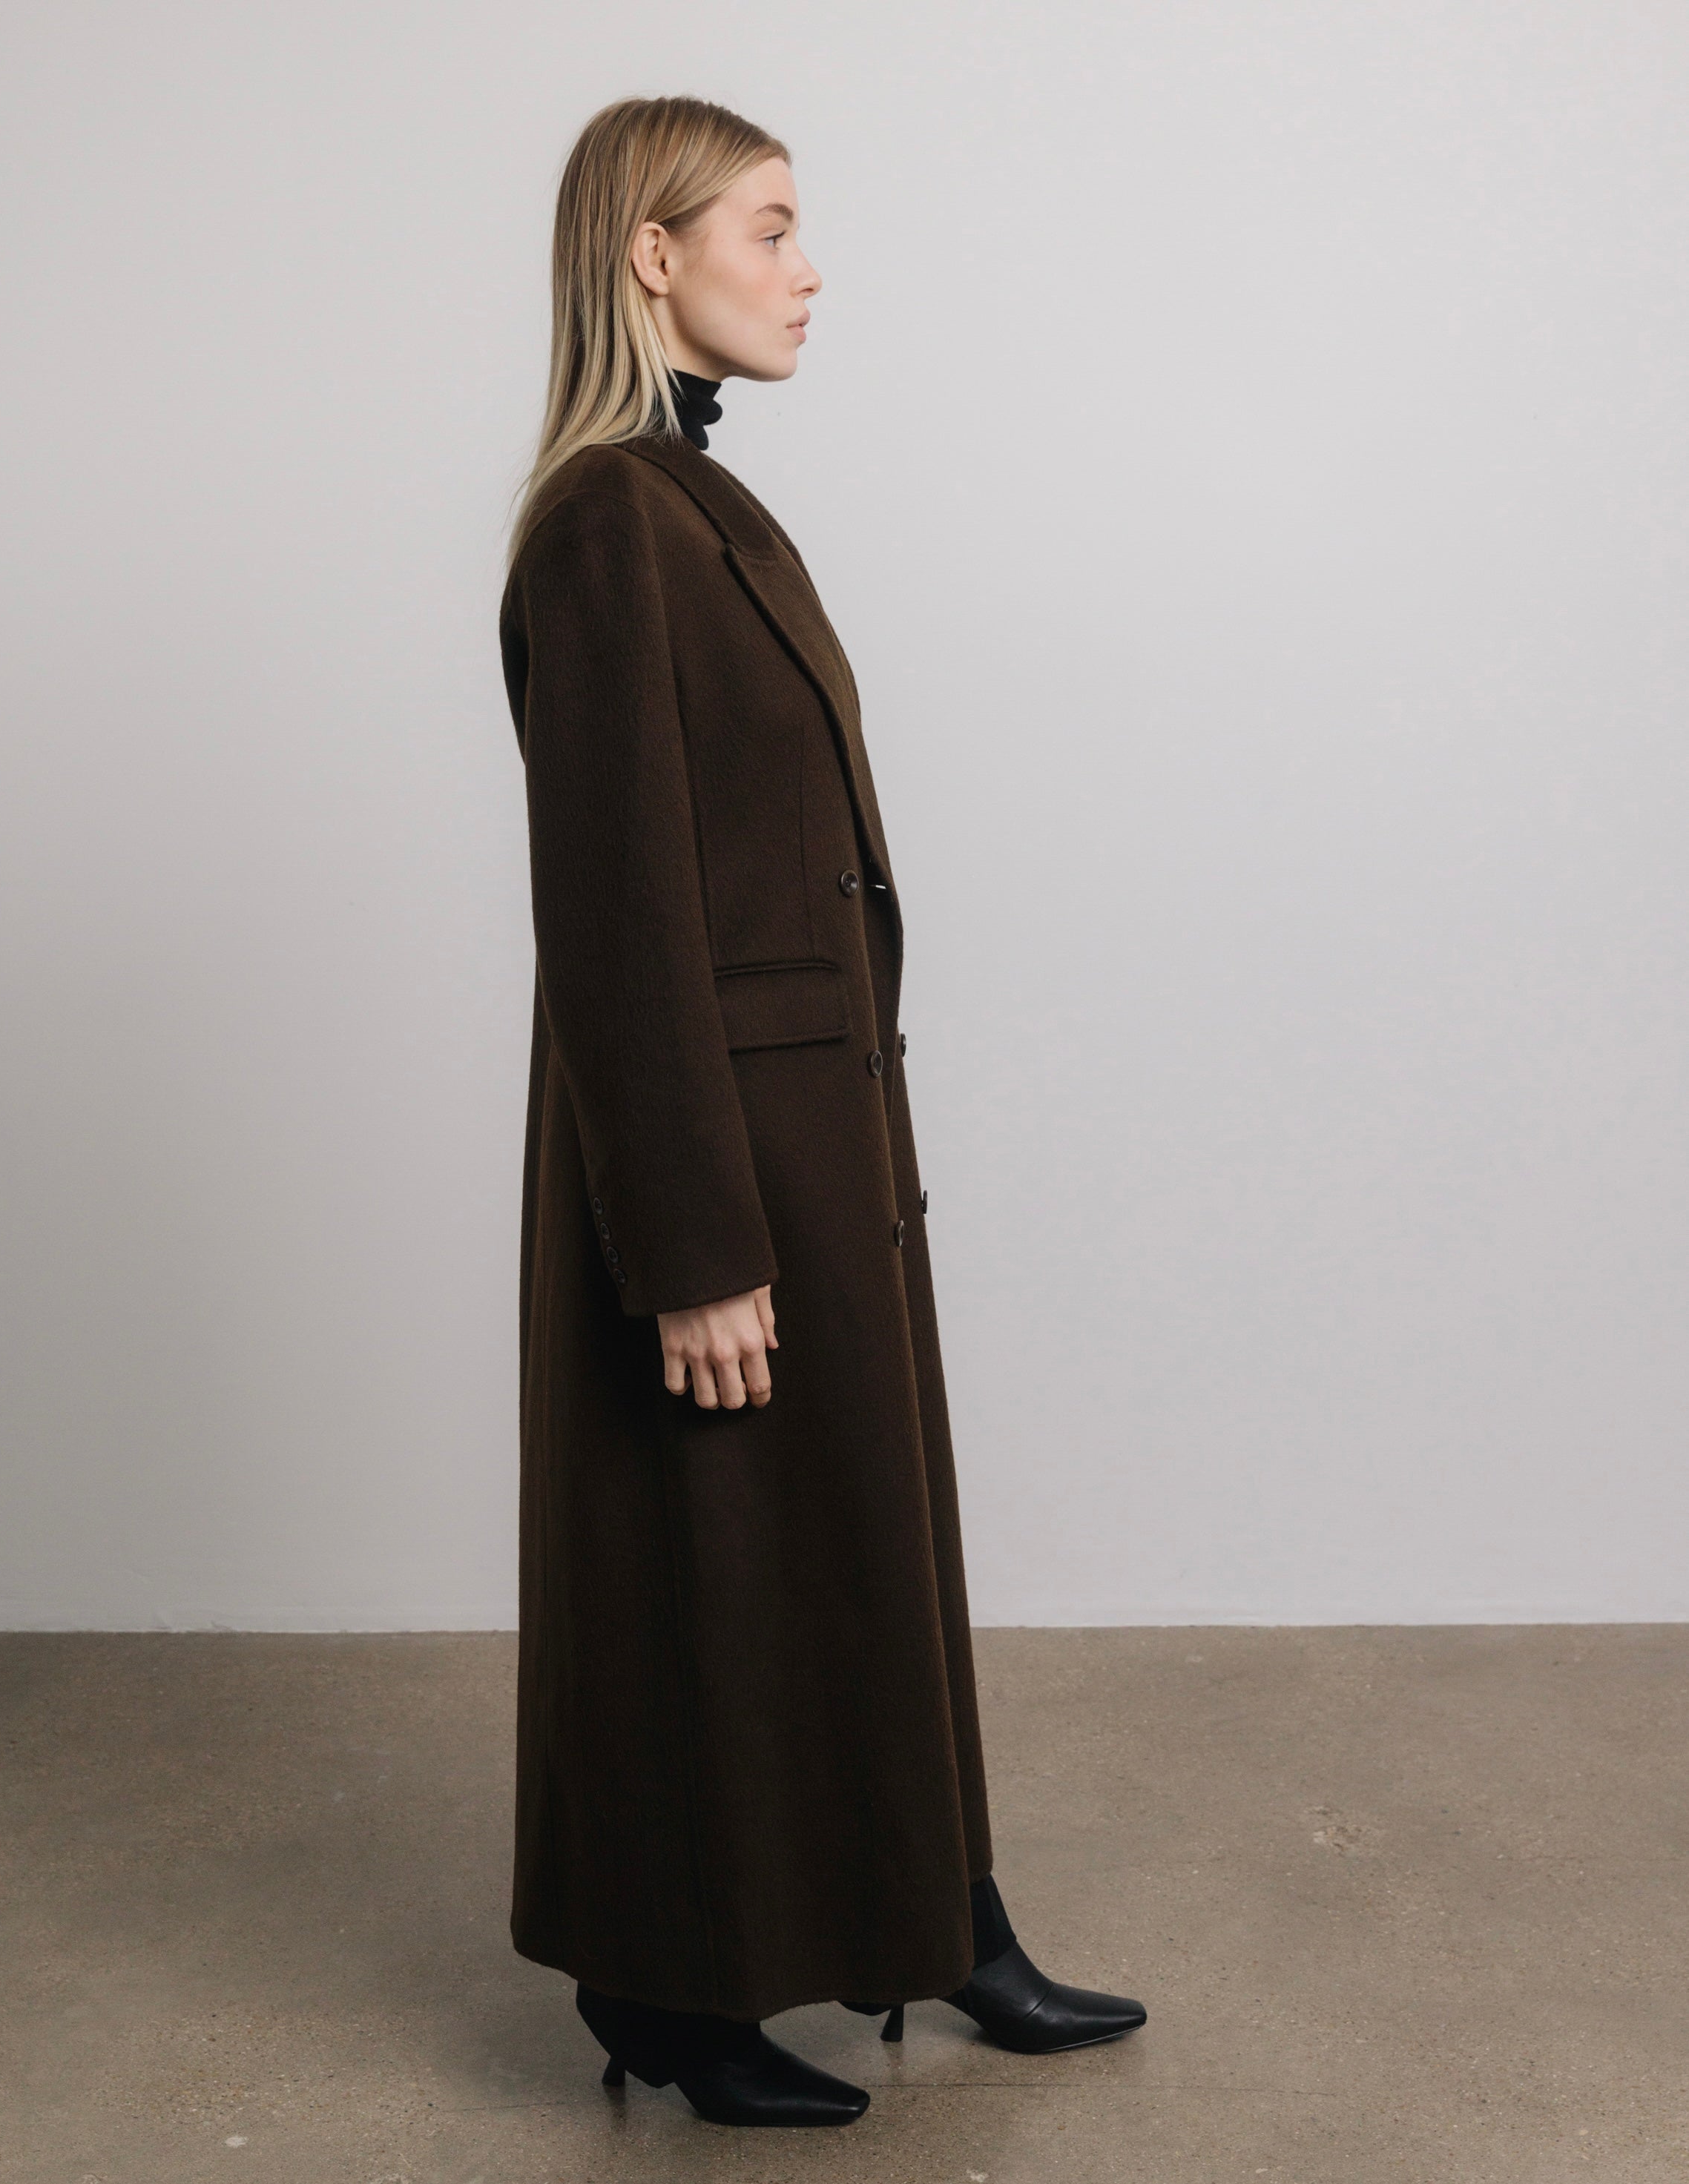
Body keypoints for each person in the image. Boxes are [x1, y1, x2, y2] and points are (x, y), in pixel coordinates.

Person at [496, 93, 1146, 2129]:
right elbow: (617, 921)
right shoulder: (607, 523)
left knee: (859, 1535)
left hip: (816, 1129)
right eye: (767, 229)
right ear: (651, 254)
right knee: (697, 1556)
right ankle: (664, 1992)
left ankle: (930, 1914)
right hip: (715, 1150)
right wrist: (689, 1246)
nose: (805, 269)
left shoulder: (702, 506)